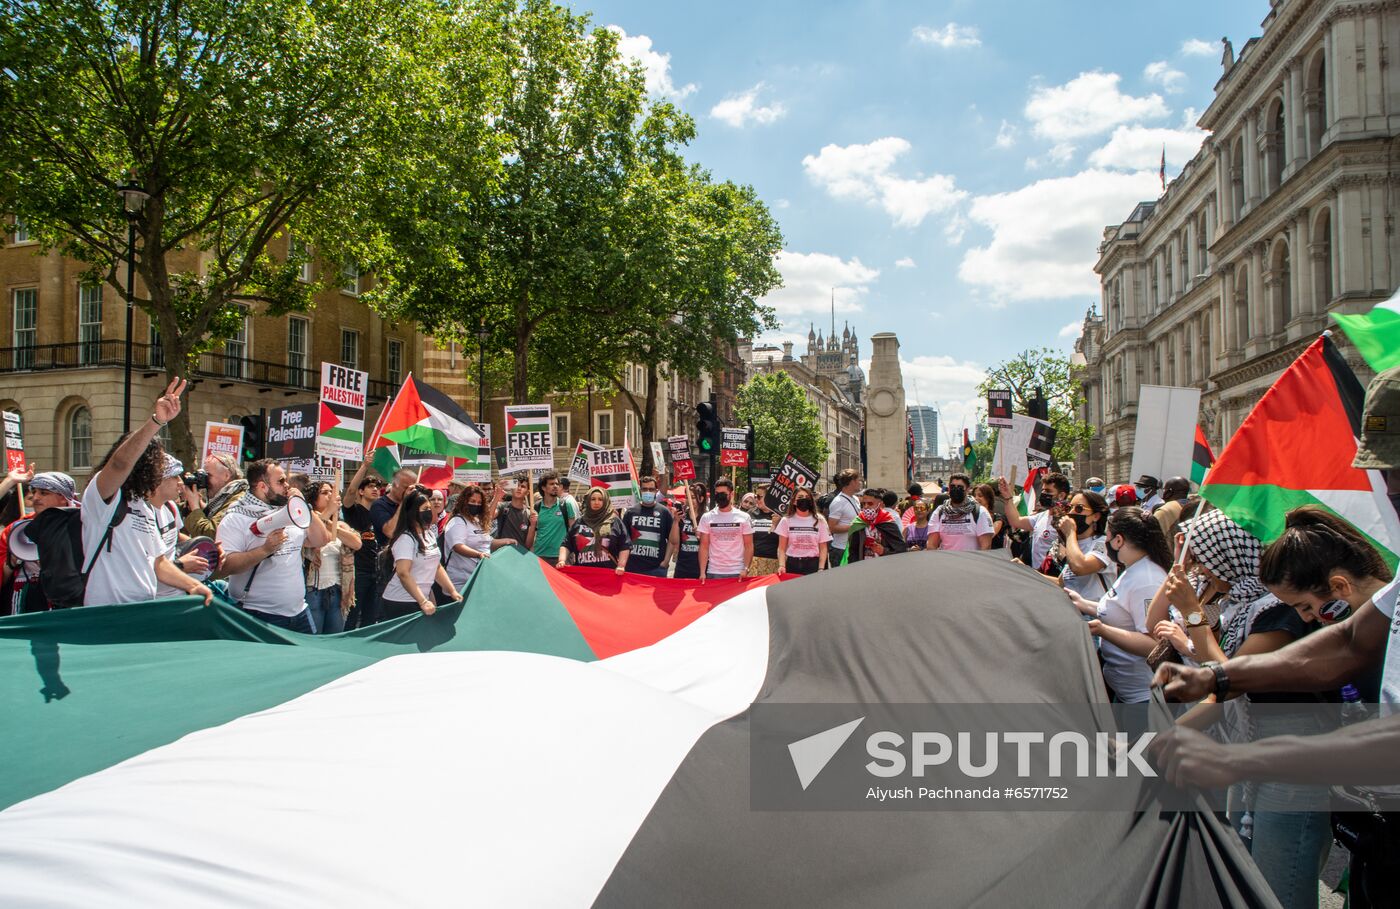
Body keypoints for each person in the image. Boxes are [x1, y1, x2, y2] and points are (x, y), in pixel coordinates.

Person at [1153, 515, 1400, 908]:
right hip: (1373, 823)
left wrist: (1242, 758)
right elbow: (1347, 642)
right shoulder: (1384, 600)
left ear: (1339, 587)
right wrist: (1217, 677)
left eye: (1306, 607)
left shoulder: (1277, 613)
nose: (1306, 619)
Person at [83, 379, 213, 607]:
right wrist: (157, 421)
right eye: (157, 465)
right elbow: (120, 464)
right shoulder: (104, 498)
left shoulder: (144, 507)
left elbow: (159, 563)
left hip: (142, 610)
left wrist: (193, 585)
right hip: (106, 613)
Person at [1064, 506, 1172, 703]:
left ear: (1118, 540)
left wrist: (1103, 630)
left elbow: (1154, 645)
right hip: (1124, 690)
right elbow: (1121, 613)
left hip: (1142, 697)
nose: (1105, 542)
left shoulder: (1147, 580)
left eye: (1107, 537)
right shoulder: (1133, 569)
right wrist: (1083, 604)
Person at [216, 458, 332, 631]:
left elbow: (321, 539)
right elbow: (225, 566)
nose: (287, 485)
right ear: (262, 486)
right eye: (281, 481)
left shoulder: (289, 510)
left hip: (299, 612)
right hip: (258, 616)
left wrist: (303, 505)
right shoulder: (235, 519)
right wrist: (265, 550)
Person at [380, 487, 459, 620]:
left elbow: (437, 567)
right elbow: (403, 573)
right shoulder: (406, 539)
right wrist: (423, 602)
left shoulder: (429, 535)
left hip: (422, 600)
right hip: (401, 602)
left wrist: (452, 591)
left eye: (429, 508)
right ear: (412, 513)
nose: (429, 512)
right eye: (424, 509)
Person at [2, 469, 66, 614]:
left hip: (65, 597)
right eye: (34, 491)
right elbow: (2, 578)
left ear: (63, 497)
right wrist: (12, 562)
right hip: (27, 598)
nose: (35, 497)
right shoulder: (15, 529)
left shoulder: (80, 524)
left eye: (44, 493)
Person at [303, 480, 361, 635]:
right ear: (313, 498)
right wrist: (326, 514)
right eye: (324, 492)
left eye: (332, 492)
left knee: (334, 636)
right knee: (313, 637)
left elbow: (356, 543)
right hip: (313, 589)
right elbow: (312, 539)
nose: (330, 495)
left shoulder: (340, 524)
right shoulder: (305, 521)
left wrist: (330, 523)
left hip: (338, 590)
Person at [149, 454, 211, 599]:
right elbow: (147, 566)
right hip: (155, 599)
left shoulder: (170, 507)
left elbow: (175, 536)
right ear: (157, 480)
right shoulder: (142, 514)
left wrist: (209, 548)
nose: (181, 482)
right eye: (174, 476)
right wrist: (180, 564)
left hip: (180, 593)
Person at [998, 472, 1071, 573]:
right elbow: (1016, 521)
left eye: (1048, 491)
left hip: (1054, 576)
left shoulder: (1067, 522)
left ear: (1061, 495)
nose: (1044, 494)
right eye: (1043, 490)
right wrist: (1007, 497)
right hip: (1037, 575)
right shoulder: (1042, 516)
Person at [341, 472, 384, 630]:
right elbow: (350, 491)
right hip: (358, 572)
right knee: (351, 616)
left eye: (377, 487)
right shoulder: (353, 511)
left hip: (376, 572)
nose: (375, 489)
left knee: (370, 619)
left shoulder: (379, 514)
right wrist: (365, 466)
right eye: (371, 487)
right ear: (361, 491)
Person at [1056, 490, 1116, 599]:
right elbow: (1062, 583)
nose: (1072, 512)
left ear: (1096, 516)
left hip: (1091, 608)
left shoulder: (1104, 543)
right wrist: (1027, 572)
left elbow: (1080, 567)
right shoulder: (1073, 543)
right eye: (1069, 508)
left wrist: (1070, 532)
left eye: (1079, 508)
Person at [558, 487, 629, 572]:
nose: (596, 502)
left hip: (608, 575)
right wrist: (562, 560)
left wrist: (621, 565)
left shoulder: (615, 521)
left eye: (600, 499)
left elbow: (625, 545)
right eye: (593, 499)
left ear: (605, 501)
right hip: (582, 575)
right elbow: (566, 544)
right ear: (588, 501)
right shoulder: (579, 522)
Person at [697, 477, 753, 580]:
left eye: (723, 494)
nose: (719, 496)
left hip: (737, 571)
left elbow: (748, 545)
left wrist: (746, 568)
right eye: (717, 493)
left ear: (731, 494)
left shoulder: (744, 517)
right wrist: (702, 572)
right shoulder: (707, 517)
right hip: (714, 571)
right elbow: (704, 546)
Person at [181, 452, 247, 537]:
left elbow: (211, 533)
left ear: (226, 476)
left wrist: (194, 506)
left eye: (208, 475)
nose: (205, 481)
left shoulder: (239, 500)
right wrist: (199, 503)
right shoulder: (228, 496)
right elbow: (214, 515)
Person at [443, 485, 494, 592]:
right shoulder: (457, 521)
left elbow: (488, 542)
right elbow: (458, 546)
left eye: (479, 502)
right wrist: (478, 554)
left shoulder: (477, 521)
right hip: (460, 584)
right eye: (473, 501)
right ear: (464, 501)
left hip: (476, 578)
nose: (476, 505)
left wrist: (506, 542)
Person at [623, 475, 677, 577]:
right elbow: (623, 540)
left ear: (656, 491)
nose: (648, 492)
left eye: (651, 489)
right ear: (640, 490)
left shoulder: (664, 512)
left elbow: (672, 540)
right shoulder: (630, 512)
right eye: (645, 489)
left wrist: (666, 561)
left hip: (657, 569)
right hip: (632, 568)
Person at [927, 473, 993, 551]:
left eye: (960, 487)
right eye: (952, 487)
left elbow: (986, 546)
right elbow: (931, 545)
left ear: (967, 489)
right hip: (946, 558)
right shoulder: (940, 512)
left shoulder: (980, 512)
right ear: (949, 489)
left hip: (971, 558)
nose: (956, 489)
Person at [776, 488, 830, 575]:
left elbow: (823, 547)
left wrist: (821, 568)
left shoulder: (820, 520)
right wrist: (782, 565)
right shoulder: (786, 520)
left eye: (807, 497)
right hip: (792, 564)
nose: (804, 499)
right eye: (800, 497)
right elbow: (782, 548)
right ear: (794, 501)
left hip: (813, 565)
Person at [846, 488, 908, 562]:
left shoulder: (887, 522)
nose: (866, 506)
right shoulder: (859, 522)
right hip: (863, 566)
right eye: (863, 504)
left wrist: (884, 551)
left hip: (884, 565)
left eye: (870, 504)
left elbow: (901, 549)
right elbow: (853, 551)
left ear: (880, 504)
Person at [370, 467, 418, 549]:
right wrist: (404, 502)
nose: (409, 491)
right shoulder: (379, 505)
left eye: (413, 488)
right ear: (395, 485)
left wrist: (424, 496)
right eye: (406, 487)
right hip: (391, 553)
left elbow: (432, 522)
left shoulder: (414, 502)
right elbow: (390, 532)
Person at [531, 471, 574, 562]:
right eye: (551, 484)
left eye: (557, 484)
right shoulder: (536, 507)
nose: (555, 486)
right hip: (540, 556)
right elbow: (532, 532)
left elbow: (573, 531)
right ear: (543, 487)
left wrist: (573, 552)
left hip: (561, 557)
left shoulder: (566, 505)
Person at [826, 468, 861, 567]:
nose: (860, 483)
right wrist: (855, 526)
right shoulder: (838, 502)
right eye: (858, 480)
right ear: (852, 482)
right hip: (841, 549)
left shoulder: (855, 499)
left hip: (854, 547)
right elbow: (832, 528)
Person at [671, 482, 706, 580]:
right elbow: (674, 541)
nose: (689, 500)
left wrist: (701, 535)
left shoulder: (707, 518)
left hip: (700, 567)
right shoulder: (682, 517)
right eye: (687, 497)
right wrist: (675, 522)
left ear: (701, 499)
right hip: (682, 566)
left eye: (693, 497)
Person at [491, 476, 535, 551]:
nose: (519, 488)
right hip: (503, 553)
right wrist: (497, 495)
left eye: (523, 486)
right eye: (516, 485)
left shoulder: (530, 514)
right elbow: (489, 517)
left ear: (527, 492)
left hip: (520, 554)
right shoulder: (502, 507)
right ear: (511, 489)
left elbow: (528, 545)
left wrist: (533, 525)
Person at [745, 484, 779, 577]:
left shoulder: (780, 515)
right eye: (756, 496)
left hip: (773, 562)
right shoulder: (750, 514)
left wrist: (777, 525)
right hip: (753, 562)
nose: (756, 499)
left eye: (759, 497)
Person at [974, 483, 1008, 550]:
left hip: (992, 555)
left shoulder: (998, 519)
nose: (976, 498)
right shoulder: (971, 516)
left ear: (988, 498)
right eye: (974, 495)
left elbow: (989, 536)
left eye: (980, 496)